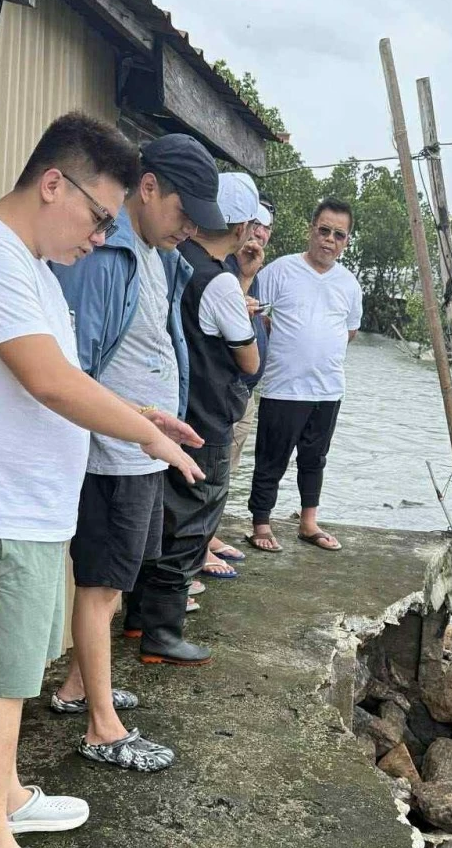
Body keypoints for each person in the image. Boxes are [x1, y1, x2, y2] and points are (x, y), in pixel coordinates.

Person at [0, 113, 203, 848]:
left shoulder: (37, 267)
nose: (100, 236)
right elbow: (47, 381)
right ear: (55, 184)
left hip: (33, 510)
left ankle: (7, 794)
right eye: (100, 217)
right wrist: (146, 432)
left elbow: (72, 378)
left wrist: (144, 407)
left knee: (18, 665)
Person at [48, 135, 227, 758]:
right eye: (185, 213)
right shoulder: (106, 257)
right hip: (111, 454)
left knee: (119, 578)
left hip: (141, 448)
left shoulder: (158, 255)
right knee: (99, 587)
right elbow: (74, 367)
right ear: (147, 189)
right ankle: (102, 727)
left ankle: (77, 687)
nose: (191, 230)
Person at [123, 173, 262, 664]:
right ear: (243, 226)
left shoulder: (173, 261)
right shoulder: (220, 280)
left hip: (173, 410)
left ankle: (141, 618)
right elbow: (250, 362)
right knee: (193, 525)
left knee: (163, 520)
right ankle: (162, 631)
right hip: (207, 417)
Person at [246, 198, 362, 553]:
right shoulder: (279, 271)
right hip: (283, 387)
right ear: (311, 229)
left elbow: (350, 331)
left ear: (346, 241)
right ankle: (260, 523)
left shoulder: (349, 285)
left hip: (328, 389)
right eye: (324, 230)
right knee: (271, 458)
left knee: (315, 459)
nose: (329, 240)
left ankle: (308, 522)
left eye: (338, 235)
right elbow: (254, 314)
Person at [205, 197, 273, 571]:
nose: (260, 233)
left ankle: (208, 534)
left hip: (244, 393)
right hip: (220, 390)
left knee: (224, 469)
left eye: (266, 228)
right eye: (255, 224)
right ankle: (197, 547)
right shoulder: (220, 268)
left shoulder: (251, 269)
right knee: (208, 471)